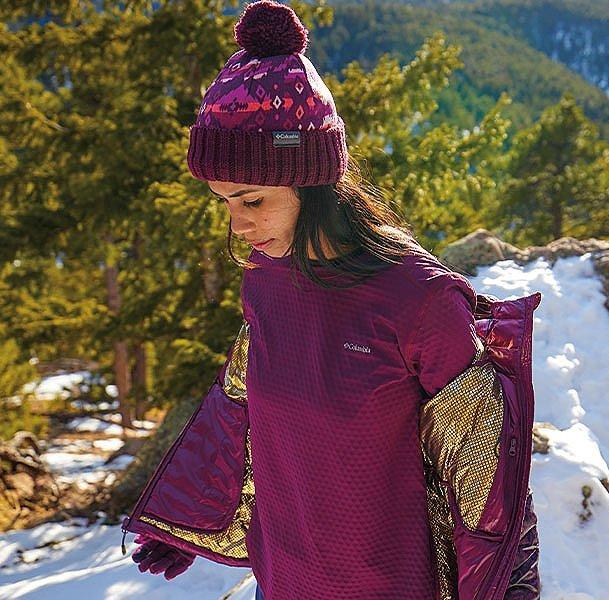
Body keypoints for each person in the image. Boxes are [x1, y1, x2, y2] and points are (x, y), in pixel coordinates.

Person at [123, 2, 541, 598]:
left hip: (387, 584)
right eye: (223, 202)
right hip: (284, 578)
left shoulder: (416, 298)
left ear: (310, 179)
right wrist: (190, 514)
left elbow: (487, 476)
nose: (236, 225)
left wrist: (515, 590)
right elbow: (242, 399)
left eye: (251, 200)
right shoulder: (266, 280)